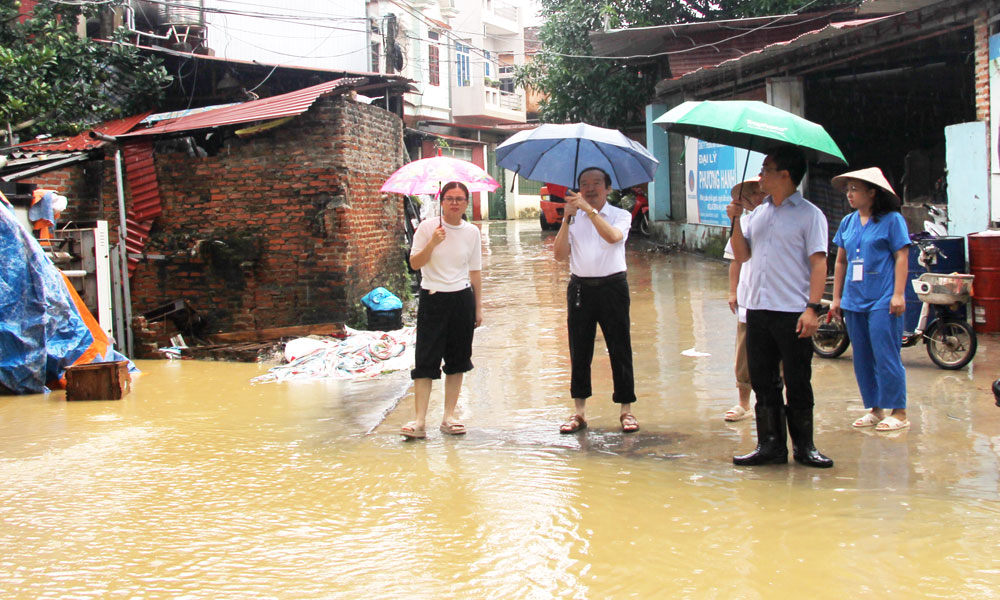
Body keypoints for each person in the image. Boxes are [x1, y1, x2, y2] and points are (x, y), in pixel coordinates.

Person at [726, 147, 833, 468]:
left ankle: (805, 447)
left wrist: (813, 309)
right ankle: (770, 445)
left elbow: (818, 264)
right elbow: (742, 255)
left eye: (766, 169)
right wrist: (733, 221)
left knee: (798, 380)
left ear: (785, 175)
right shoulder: (758, 213)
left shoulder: (810, 215)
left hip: (793, 311)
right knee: (763, 380)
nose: (760, 176)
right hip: (757, 310)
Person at [554, 167, 638, 434]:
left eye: (596, 183)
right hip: (580, 288)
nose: (590, 188)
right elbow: (559, 256)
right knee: (579, 351)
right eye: (584, 183)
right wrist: (567, 220)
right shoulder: (573, 217)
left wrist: (589, 212)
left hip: (613, 287)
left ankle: (626, 410)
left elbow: (613, 237)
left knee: (620, 348)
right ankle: (579, 412)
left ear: (608, 188)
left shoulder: (620, 215)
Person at [827, 168, 910, 431]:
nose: (849, 194)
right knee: (861, 356)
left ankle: (899, 411)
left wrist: (898, 294)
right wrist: (836, 298)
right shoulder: (848, 222)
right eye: (848, 189)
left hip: (883, 298)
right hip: (854, 299)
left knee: (886, 354)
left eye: (855, 189)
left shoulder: (892, 220)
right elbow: (841, 261)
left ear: (872, 193)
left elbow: (901, 257)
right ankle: (875, 408)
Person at [402, 182, 483, 439]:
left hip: (461, 299)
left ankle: (449, 416)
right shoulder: (428, 228)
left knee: (458, 360)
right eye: (449, 198)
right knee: (426, 359)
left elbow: (475, 272)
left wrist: (478, 307)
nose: (454, 203)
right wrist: (433, 243)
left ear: (466, 203)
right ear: (441, 201)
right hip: (433, 298)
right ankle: (419, 421)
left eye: (460, 199)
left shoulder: (471, 232)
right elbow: (414, 264)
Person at [722, 177, 765, 421]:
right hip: (748, 297)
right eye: (752, 194)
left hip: (774, 300)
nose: (757, 197)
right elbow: (736, 261)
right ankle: (743, 402)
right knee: (744, 352)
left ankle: (771, 402)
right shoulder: (744, 223)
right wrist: (733, 291)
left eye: (759, 192)